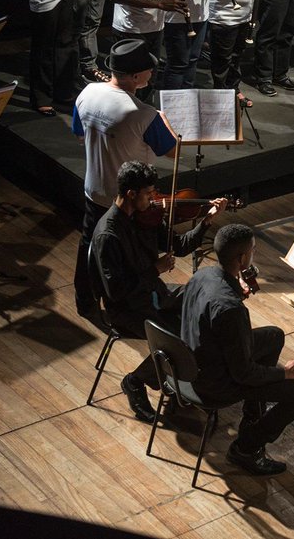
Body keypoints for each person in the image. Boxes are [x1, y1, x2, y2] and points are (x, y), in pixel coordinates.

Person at [90, 161, 225, 424]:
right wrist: (155, 269)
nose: (154, 199)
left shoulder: (147, 217)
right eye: (148, 193)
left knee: (203, 299)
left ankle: (182, 377)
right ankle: (135, 382)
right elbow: (116, 292)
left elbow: (180, 246)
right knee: (179, 340)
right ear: (131, 194)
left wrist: (206, 220)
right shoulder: (108, 234)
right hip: (128, 308)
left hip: (154, 293)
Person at [179, 223, 294, 476]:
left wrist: (234, 289)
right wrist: (284, 373)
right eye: (252, 250)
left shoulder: (203, 275)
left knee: (274, 335)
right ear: (242, 259)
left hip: (190, 364)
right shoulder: (231, 309)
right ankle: (246, 448)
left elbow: (212, 313)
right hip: (214, 384)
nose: (254, 253)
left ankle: (253, 414)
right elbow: (243, 373)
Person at [71, 39, 178, 316]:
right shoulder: (144, 114)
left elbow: (79, 134)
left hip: (94, 190)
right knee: (129, 255)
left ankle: (85, 302)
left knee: (89, 247)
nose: (152, 73)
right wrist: (165, 121)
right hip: (128, 200)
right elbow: (173, 151)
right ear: (135, 76)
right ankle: (130, 309)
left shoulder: (87, 93)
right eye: (149, 69)